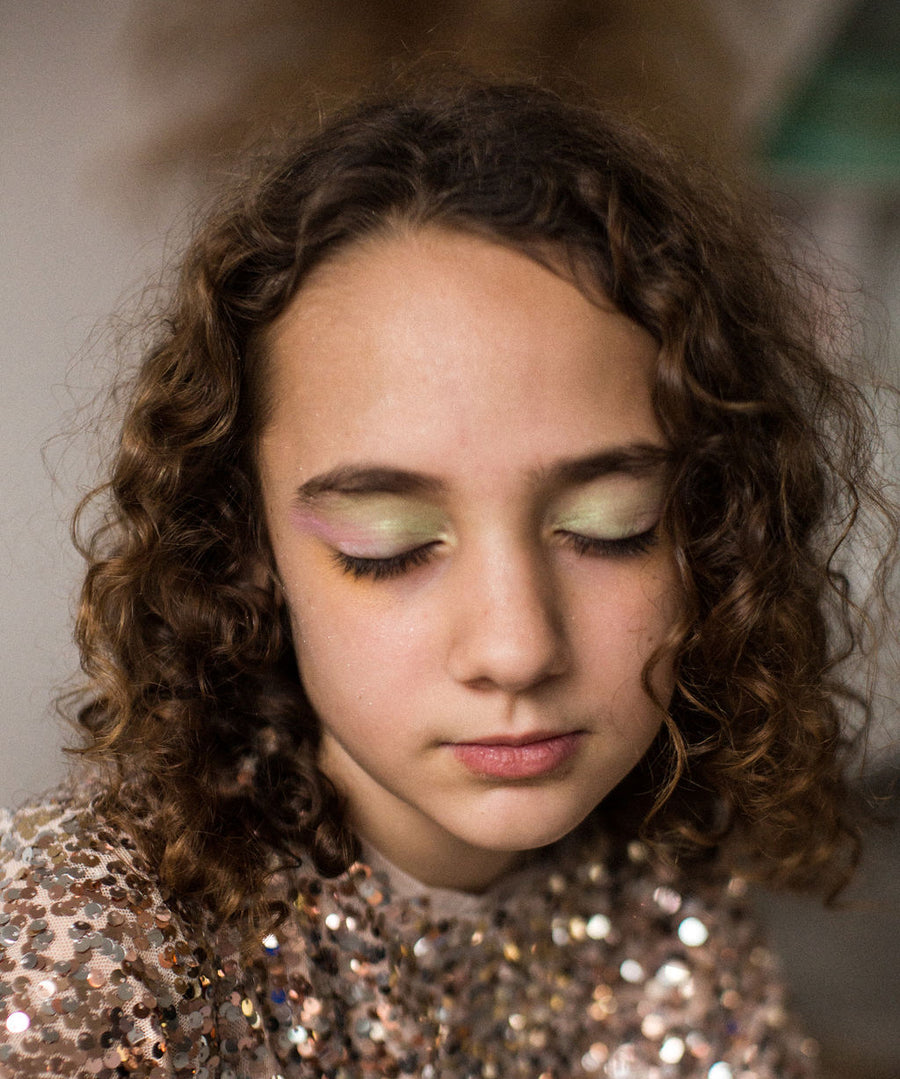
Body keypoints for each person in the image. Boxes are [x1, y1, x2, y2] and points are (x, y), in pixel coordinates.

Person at [0, 78, 895, 1079]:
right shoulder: (77, 959)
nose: (516, 647)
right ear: (245, 551)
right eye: (389, 544)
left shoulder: (662, 899)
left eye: (612, 529)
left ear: (717, 532)